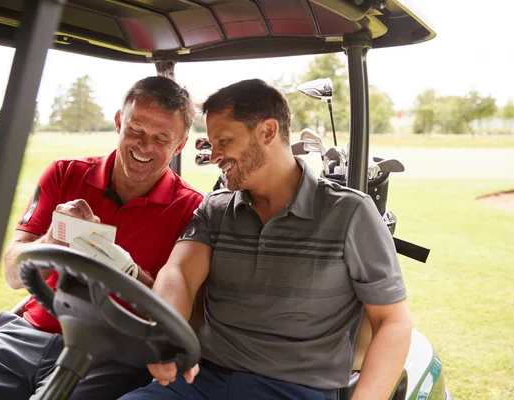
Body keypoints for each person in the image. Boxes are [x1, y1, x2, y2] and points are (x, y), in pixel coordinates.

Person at [119, 79, 412, 400]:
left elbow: (392, 322)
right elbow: (179, 274)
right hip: (199, 382)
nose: (214, 156)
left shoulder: (350, 213)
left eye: (224, 141)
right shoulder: (215, 209)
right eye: (212, 143)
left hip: (293, 390)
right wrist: (165, 333)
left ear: (268, 133)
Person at [0, 76, 203, 399]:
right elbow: (13, 273)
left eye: (161, 138)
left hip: (111, 354)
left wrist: (128, 271)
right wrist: (54, 237)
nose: (144, 145)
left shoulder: (192, 209)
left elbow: (185, 312)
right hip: (26, 335)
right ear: (119, 122)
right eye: (135, 129)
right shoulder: (64, 173)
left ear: (180, 145)